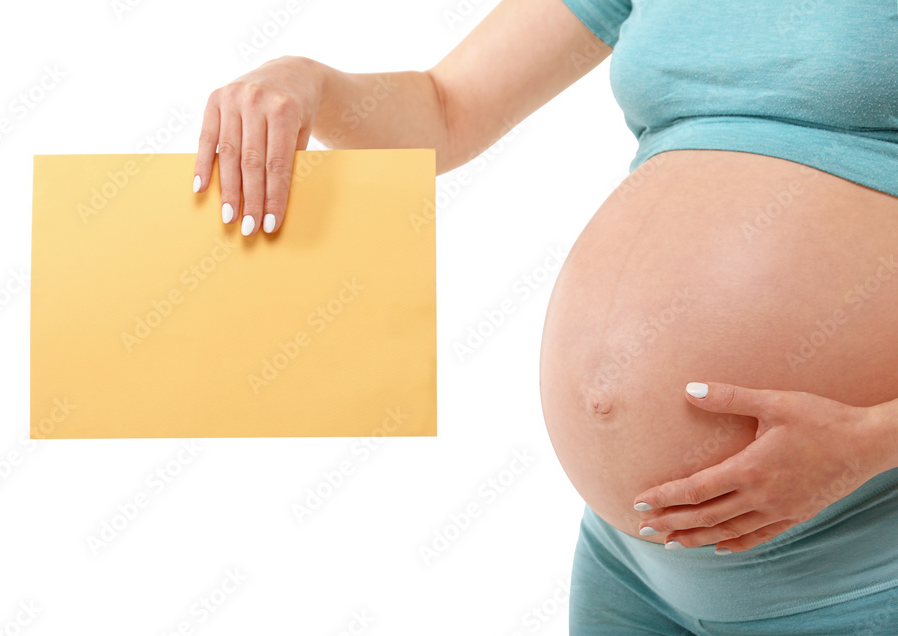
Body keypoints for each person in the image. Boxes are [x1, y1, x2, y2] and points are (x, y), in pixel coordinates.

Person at [194, 0, 898, 632]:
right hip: (633, 577)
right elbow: (445, 109)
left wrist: (867, 442)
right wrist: (307, 81)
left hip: (860, 568)